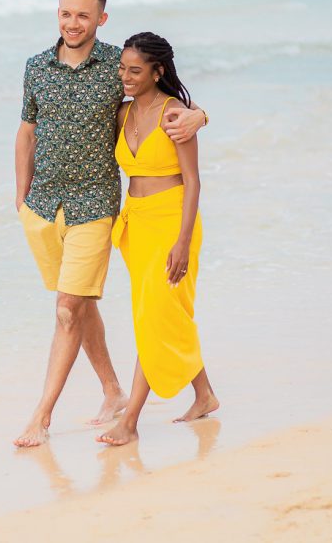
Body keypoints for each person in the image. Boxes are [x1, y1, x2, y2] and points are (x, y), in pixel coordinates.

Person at [13, 0, 208, 448]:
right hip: (55, 207)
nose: (72, 23)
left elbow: (168, 96)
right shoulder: (37, 67)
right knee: (91, 305)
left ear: (101, 19)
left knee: (73, 309)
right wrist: (20, 198)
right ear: (56, 14)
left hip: (101, 206)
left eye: (83, 15)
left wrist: (200, 114)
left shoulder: (117, 65)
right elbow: (26, 129)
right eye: (65, 14)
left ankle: (50, 416)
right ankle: (128, 390)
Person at [97, 32, 220, 448]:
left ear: (158, 71)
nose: (126, 77)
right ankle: (204, 394)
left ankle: (129, 421)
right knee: (162, 316)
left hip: (172, 222)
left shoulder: (176, 115)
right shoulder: (122, 113)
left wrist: (183, 242)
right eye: (122, 69)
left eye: (135, 70)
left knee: (154, 318)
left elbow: (193, 182)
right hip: (135, 226)